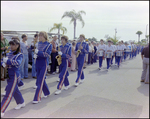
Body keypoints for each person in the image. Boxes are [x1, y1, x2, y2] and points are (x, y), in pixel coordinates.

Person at [1, 39, 25, 118]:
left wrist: (7, 61)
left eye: (13, 45)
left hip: (14, 75)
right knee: (15, 91)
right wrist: (2, 63)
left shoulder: (19, 55)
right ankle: (21, 102)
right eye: (10, 44)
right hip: (8, 75)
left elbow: (17, 63)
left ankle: (1, 110)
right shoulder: (8, 53)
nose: (11, 46)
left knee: (8, 94)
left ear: (17, 45)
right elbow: (2, 60)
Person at [32, 31, 52, 104]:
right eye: (39, 36)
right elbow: (36, 51)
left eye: (41, 36)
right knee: (41, 79)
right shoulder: (38, 44)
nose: (39, 37)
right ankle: (46, 92)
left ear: (45, 36)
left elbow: (47, 54)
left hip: (44, 63)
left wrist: (38, 53)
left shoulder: (49, 44)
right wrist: (35, 55)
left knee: (39, 81)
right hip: (37, 63)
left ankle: (37, 98)